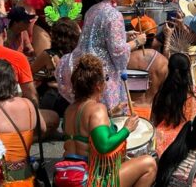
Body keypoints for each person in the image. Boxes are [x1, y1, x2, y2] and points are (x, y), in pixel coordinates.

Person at [61, 54, 156, 187]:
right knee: (149, 163)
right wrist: (127, 129)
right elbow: (104, 146)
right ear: (98, 85)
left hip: (69, 175)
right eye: (105, 79)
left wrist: (111, 113)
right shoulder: (97, 109)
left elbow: (84, 128)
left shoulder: (69, 110)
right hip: (91, 180)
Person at [56, 0, 145, 112]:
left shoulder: (92, 9)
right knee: (107, 115)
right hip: (103, 73)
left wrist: (125, 35)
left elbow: (96, 36)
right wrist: (137, 42)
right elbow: (118, 51)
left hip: (85, 68)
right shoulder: (114, 15)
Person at [0, 60, 43, 187]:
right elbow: (42, 129)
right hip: (26, 176)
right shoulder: (28, 104)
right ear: (12, 82)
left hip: (1, 179)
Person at [150, 53, 196, 155]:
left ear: (168, 69)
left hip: (163, 143)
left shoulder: (161, 93)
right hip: (191, 141)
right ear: (188, 71)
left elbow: (154, 120)